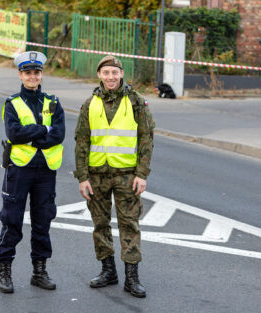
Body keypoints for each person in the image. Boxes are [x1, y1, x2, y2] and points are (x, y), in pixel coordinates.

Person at [74, 55, 155, 298]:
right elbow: (81, 142)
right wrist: (82, 177)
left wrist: (142, 174)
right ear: (99, 75)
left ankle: (132, 278)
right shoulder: (90, 104)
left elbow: (146, 139)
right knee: (100, 224)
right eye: (106, 72)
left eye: (115, 73)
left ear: (121, 75)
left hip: (126, 176)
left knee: (129, 225)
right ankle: (108, 270)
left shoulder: (136, 102)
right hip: (96, 175)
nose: (110, 77)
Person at [0, 51, 65, 294]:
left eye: (36, 72)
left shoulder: (53, 103)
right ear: (20, 75)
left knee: (42, 221)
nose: (32, 76)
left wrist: (33, 134)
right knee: (12, 221)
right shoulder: (12, 103)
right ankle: (5, 270)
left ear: (41, 75)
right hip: (19, 170)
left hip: (46, 170)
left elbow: (58, 134)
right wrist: (42, 130)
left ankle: (39, 271)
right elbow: (14, 134)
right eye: (28, 72)